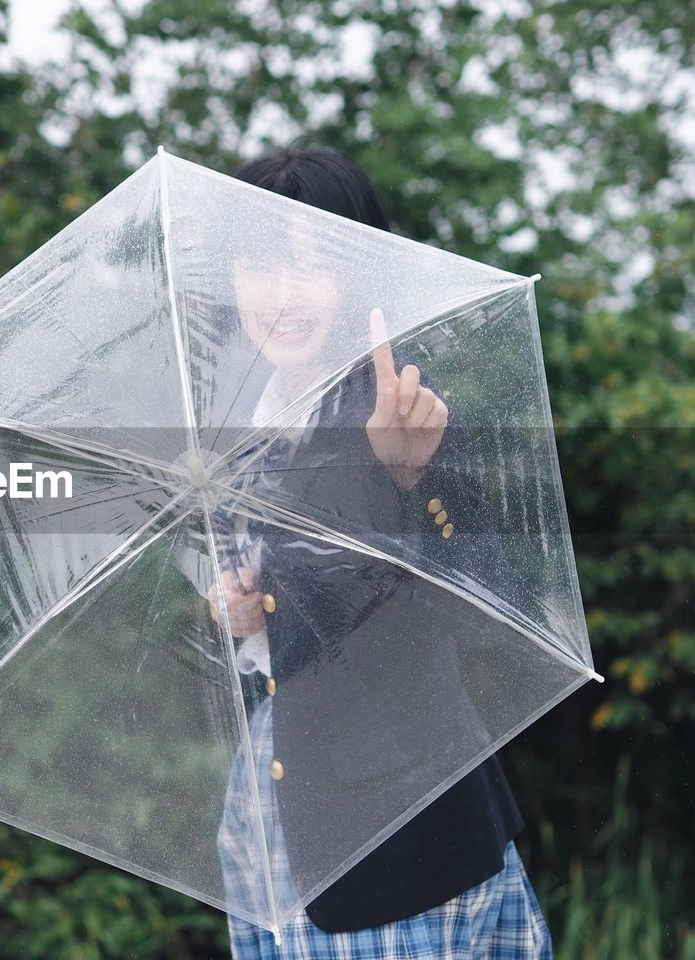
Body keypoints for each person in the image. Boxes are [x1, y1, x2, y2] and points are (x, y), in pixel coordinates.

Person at [208, 144, 554, 959]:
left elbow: (491, 612)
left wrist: (409, 482)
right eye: (260, 264)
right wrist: (243, 614)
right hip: (268, 830)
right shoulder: (235, 435)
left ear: (363, 270)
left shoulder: (408, 414)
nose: (282, 297)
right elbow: (287, 639)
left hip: (400, 844)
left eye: (312, 266)